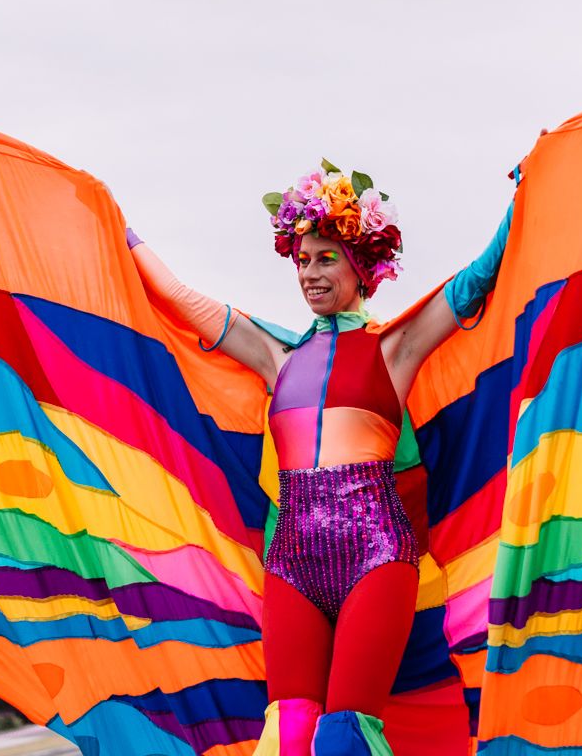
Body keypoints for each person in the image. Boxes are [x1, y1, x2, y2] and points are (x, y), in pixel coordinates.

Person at [128, 162, 510, 754]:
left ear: (361, 267)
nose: (309, 273)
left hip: (379, 554)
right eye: (302, 260)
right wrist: (117, 229)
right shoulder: (274, 354)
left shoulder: (395, 349)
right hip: (292, 563)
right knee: (289, 735)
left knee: (343, 736)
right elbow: (177, 296)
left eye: (326, 258)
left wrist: (525, 195)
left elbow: (476, 281)